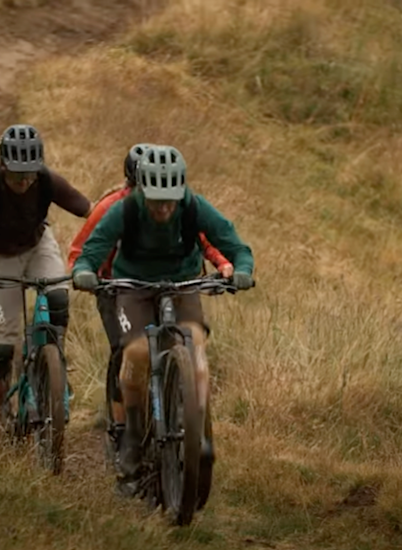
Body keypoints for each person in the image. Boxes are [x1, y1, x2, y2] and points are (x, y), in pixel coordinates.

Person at [71, 144, 254, 479]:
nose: (164, 208)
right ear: (142, 191)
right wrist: (84, 270)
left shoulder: (193, 206)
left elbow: (233, 242)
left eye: (170, 200)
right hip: (134, 287)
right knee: (137, 352)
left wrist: (241, 268)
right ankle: (133, 436)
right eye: (156, 201)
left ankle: (197, 425)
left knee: (194, 343)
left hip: (181, 284)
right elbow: (92, 249)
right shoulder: (124, 209)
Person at [0, 124, 92, 431]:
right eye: (17, 174)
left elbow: (91, 211)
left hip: (38, 247)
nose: (24, 181)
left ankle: (53, 365)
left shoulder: (46, 180)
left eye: (30, 174)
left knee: (58, 299)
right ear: (3, 167)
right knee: (2, 350)